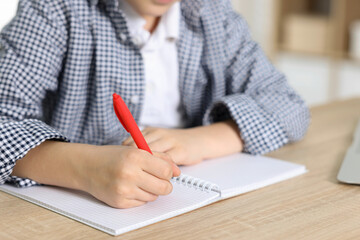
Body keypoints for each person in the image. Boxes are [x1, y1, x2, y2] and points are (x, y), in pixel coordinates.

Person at [0, 0, 310, 208]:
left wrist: (200, 141)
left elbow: (289, 105)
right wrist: (84, 168)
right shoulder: (54, 10)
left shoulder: (213, 14)